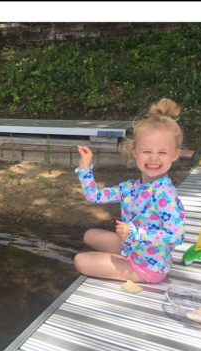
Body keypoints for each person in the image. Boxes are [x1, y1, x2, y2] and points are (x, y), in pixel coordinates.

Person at [73, 98, 186, 284]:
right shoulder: (130, 187)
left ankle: (124, 265)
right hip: (132, 247)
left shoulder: (165, 195)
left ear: (174, 155)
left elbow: (176, 237)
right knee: (89, 235)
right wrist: (85, 167)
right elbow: (95, 196)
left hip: (149, 266)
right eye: (147, 151)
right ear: (135, 152)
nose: (154, 158)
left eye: (162, 152)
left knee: (80, 260)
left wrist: (135, 233)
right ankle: (119, 259)